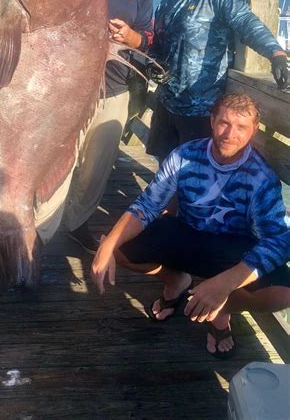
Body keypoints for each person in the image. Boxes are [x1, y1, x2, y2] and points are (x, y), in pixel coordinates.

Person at [92, 92, 290, 358]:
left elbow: (279, 241)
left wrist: (226, 284)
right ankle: (177, 281)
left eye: (242, 127)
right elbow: (148, 205)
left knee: (283, 292)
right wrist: (108, 246)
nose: (230, 133)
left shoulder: (262, 178)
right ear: (211, 120)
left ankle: (220, 307)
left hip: (232, 251)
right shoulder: (184, 155)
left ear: (254, 130)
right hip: (186, 232)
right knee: (115, 244)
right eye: (224, 123)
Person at [146, 0, 288, 163]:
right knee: (165, 173)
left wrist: (275, 52)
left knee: (195, 178)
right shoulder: (166, 4)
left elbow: (245, 22)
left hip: (201, 112)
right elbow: (159, 47)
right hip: (167, 104)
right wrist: (151, 63)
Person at [64, 0, 154, 253]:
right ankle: (38, 225)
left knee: (95, 168)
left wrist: (131, 36)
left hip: (115, 88)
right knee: (58, 158)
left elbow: (148, 37)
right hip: (70, 86)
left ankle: (76, 223)